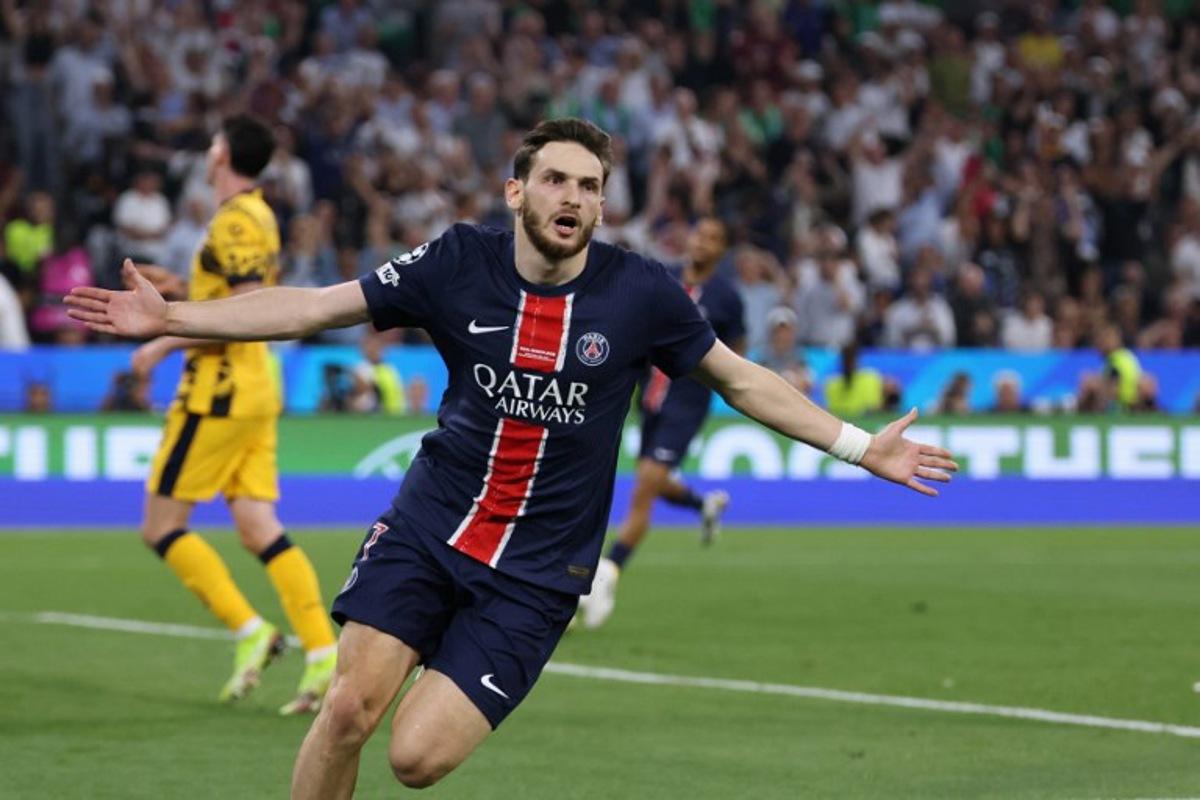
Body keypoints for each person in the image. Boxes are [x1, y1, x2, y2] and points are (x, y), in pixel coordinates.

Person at [67, 118, 957, 797]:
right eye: (558, 180)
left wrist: (853, 444)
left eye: (592, 187)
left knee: (413, 760)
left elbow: (741, 379)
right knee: (346, 711)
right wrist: (176, 319)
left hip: (537, 571)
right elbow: (309, 307)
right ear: (516, 191)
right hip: (431, 522)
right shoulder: (457, 262)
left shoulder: (641, 292)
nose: (574, 198)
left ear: (604, 204)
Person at [119, 115, 338, 715]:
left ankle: (252, 632)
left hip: (218, 389)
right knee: (256, 525)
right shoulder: (257, 213)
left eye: (214, 140)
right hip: (255, 384)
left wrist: (161, 340)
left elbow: (243, 304)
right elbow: (231, 290)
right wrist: (177, 285)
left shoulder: (237, 216)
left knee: (161, 525)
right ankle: (322, 651)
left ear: (221, 153)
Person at [575, 217, 745, 631]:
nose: (702, 241)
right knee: (653, 478)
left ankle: (607, 574)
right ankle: (702, 505)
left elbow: (737, 354)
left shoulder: (726, 297)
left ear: (722, 249)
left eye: (712, 237)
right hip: (650, 397)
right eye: (699, 233)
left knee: (644, 485)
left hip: (688, 402)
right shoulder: (665, 279)